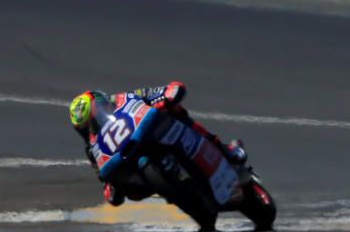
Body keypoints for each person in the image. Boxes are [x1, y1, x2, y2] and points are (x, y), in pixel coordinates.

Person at [68, 82, 245, 206]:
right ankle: (177, 192)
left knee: (175, 111)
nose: (91, 127)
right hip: (136, 166)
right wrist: (110, 186)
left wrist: (166, 94)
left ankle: (224, 148)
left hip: (148, 131)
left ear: (102, 105)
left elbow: (154, 93)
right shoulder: (92, 147)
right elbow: (104, 179)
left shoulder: (123, 99)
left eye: (92, 119)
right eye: (85, 128)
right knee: (128, 192)